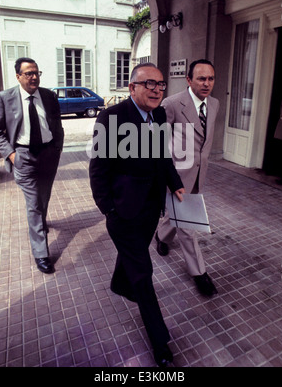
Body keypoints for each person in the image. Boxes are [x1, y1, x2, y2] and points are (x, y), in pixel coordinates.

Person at [89, 63, 185, 367]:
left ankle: (120, 284)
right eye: (149, 84)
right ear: (132, 88)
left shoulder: (158, 115)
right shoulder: (111, 118)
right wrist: (109, 209)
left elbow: (162, 157)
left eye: (161, 84)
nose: (157, 90)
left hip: (150, 207)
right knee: (143, 273)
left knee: (134, 257)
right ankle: (160, 342)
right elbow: (98, 170)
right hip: (123, 211)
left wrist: (176, 184)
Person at [0, 57, 64, 274]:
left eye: (36, 73)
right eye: (28, 74)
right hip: (23, 156)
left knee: (44, 197)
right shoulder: (5, 98)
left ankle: (41, 223)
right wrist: (12, 155)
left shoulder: (49, 96)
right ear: (18, 76)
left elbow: (57, 124)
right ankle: (41, 253)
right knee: (33, 204)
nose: (34, 77)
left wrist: (57, 148)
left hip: (48, 154)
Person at [155, 59, 219, 297]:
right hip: (177, 176)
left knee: (178, 215)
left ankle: (161, 235)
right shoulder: (171, 104)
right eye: (201, 78)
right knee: (188, 226)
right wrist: (166, 174)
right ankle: (199, 273)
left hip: (199, 174)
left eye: (211, 78)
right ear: (189, 80)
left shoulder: (215, 104)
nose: (207, 83)